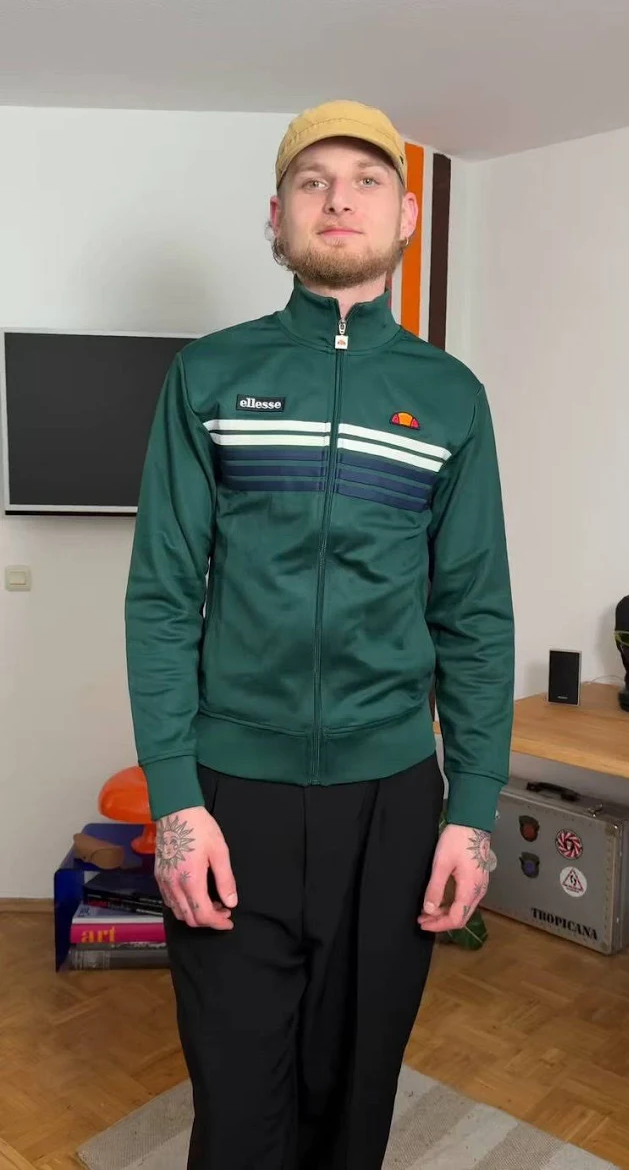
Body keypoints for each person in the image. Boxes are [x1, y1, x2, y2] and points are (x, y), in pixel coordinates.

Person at [124, 99, 514, 1170]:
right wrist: (175, 802)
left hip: (392, 799)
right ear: (276, 216)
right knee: (237, 1110)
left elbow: (474, 615)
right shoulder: (208, 375)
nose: (338, 199)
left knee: (354, 1099)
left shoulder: (450, 398)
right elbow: (162, 596)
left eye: (366, 180)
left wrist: (471, 811)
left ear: (404, 218)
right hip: (228, 794)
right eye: (312, 181)